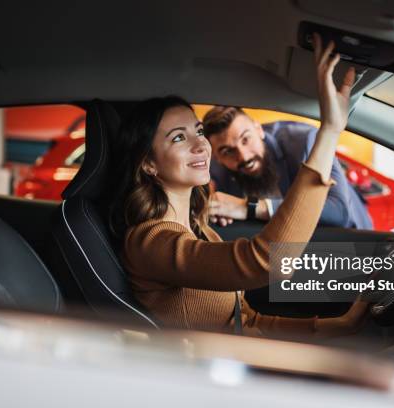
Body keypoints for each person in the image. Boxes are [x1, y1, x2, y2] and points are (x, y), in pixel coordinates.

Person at [108, 34, 367, 339]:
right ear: (148, 163)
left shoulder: (200, 230)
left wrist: (335, 326)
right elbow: (268, 261)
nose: (201, 145)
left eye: (198, 131)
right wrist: (330, 131)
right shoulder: (150, 242)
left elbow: (245, 320)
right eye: (179, 137)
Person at [203, 108, 373, 230]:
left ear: (259, 130)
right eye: (227, 151)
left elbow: (338, 212)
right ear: (217, 157)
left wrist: (249, 207)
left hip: (350, 246)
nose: (244, 157)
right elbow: (223, 208)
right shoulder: (216, 169)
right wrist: (217, 211)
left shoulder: (305, 142)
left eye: (246, 139)